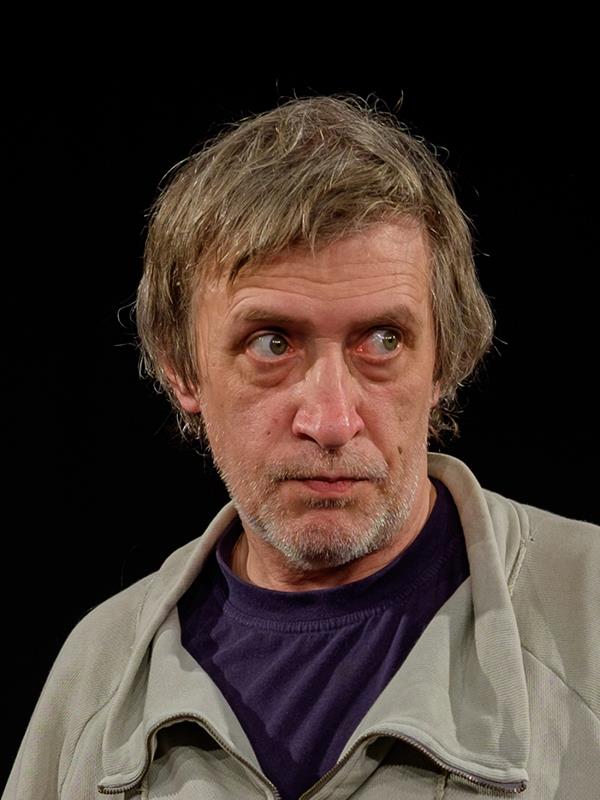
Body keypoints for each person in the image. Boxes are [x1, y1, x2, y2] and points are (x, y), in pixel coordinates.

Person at [5, 96, 598, 800]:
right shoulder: (96, 674)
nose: (332, 420)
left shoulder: (590, 611)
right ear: (181, 369)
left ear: (445, 361)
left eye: (383, 341)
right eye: (272, 344)